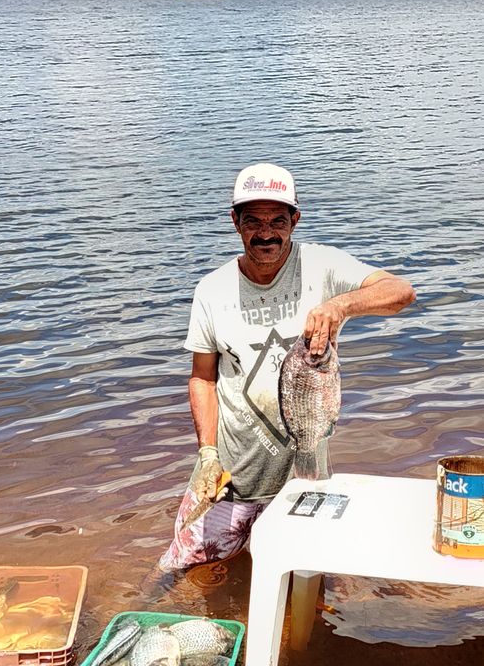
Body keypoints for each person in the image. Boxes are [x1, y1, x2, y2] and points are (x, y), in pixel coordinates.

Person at [159, 160, 415, 571]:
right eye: (253, 221)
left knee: (300, 577)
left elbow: (401, 292)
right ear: (235, 222)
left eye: (278, 220)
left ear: (295, 219)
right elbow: (202, 378)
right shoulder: (211, 290)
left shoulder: (324, 266)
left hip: (304, 472)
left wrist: (340, 305)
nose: (266, 233)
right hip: (229, 473)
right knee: (192, 571)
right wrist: (207, 454)